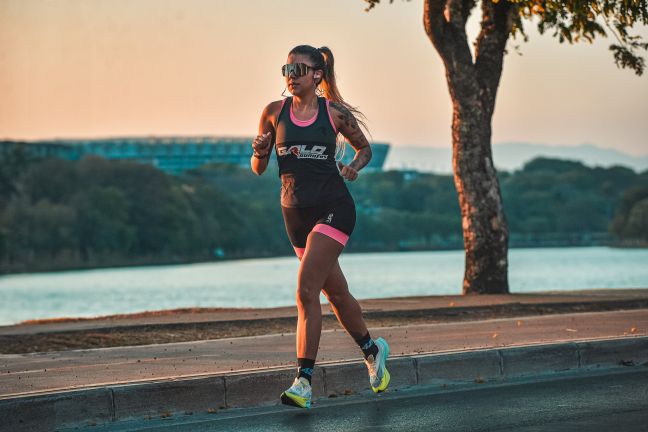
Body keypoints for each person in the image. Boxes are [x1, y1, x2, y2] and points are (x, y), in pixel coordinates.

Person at [250, 45, 391, 409]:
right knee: (337, 295)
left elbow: (365, 149)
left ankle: (304, 381)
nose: (291, 74)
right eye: (286, 68)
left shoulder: (334, 114)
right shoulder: (272, 112)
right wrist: (259, 150)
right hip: (294, 215)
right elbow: (257, 168)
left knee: (305, 291)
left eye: (299, 68)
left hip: (334, 208)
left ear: (317, 75)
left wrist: (354, 167)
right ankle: (373, 351)